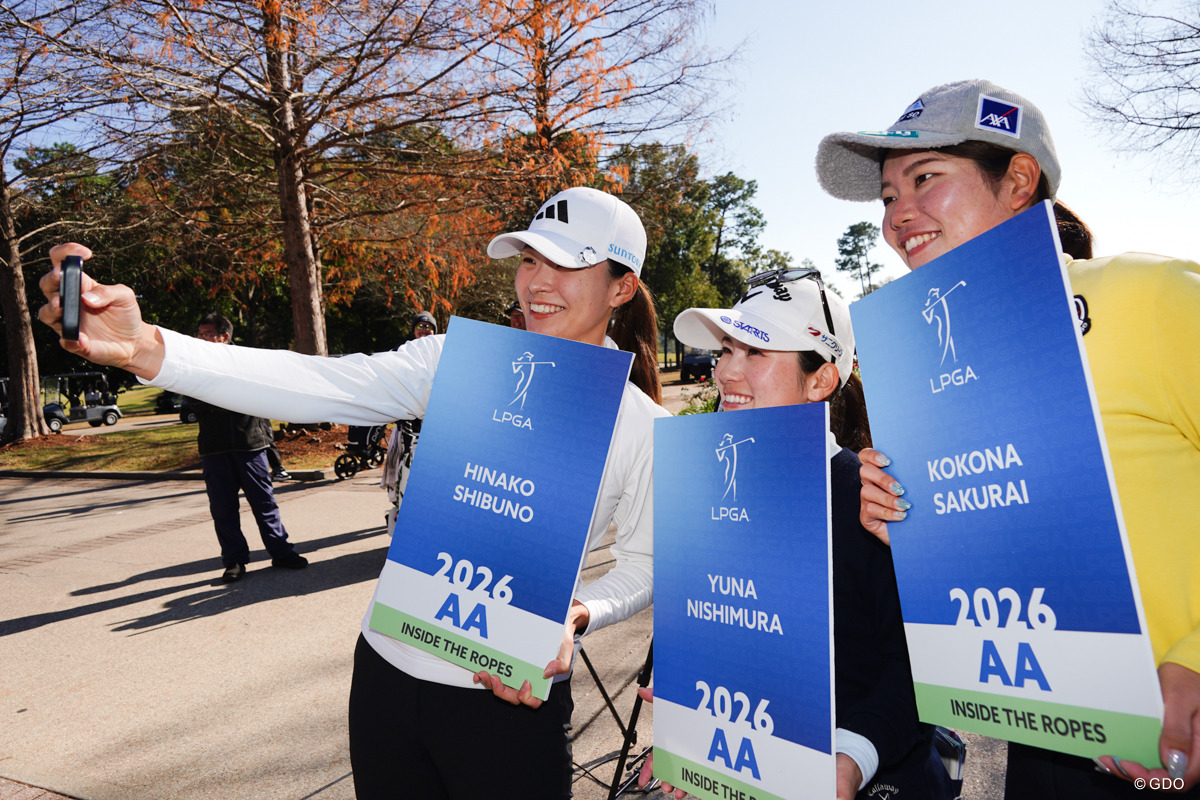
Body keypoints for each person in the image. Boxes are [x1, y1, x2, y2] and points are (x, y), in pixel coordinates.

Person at [37, 185, 668, 800]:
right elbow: (319, 383)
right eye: (530, 259)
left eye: (569, 264)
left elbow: (644, 564)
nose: (538, 283)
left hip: (509, 702)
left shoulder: (642, 425)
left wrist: (577, 615)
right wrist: (147, 349)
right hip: (386, 675)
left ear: (622, 287)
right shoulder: (457, 363)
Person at [816, 79, 1200, 795]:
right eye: (888, 196)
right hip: (1047, 748)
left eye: (925, 179)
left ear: (1019, 180)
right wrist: (920, 535)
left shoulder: (1148, 295)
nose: (898, 216)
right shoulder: (931, 367)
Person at [640, 268, 952, 800]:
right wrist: (689, 729)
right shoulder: (705, 492)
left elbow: (919, 668)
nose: (726, 372)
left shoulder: (875, 498)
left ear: (821, 381)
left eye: (755, 352)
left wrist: (851, 759)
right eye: (726, 350)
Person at [192, 312, 307, 583]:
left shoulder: (246, 361)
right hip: (214, 448)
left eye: (208, 334)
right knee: (223, 509)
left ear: (224, 337)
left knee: (264, 503)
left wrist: (272, 451)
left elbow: (259, 397)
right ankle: (234, 560)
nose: (202, 339)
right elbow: (194, 402)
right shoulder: (194, 367)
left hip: (250, 445)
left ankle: (281, 551)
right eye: (199, 334)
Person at [380, 311, 439, 530]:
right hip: (406, 430)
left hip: (433, 431)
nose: (424, 331)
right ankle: (402, 523)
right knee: (403, 481)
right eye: (420, 327)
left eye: (429, 327)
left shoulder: (441, 355)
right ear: (413, 330)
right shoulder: (401, 354)